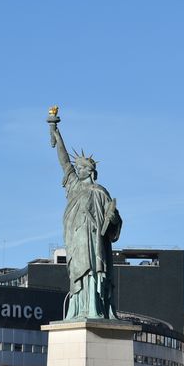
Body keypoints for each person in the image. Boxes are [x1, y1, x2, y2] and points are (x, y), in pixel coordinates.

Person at [47, 108, 122, 321]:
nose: (77, 170)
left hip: (93, 239)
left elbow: (113, 220)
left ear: (90, 171)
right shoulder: (73, 186)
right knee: (77, 272)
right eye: (77, 168)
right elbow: (63, 162)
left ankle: (94, 308)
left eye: (81, 168)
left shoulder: (100, 192)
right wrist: (55, 131)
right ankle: (79, 309)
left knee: (93, 271)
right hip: (76, 238)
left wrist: (113, 219)